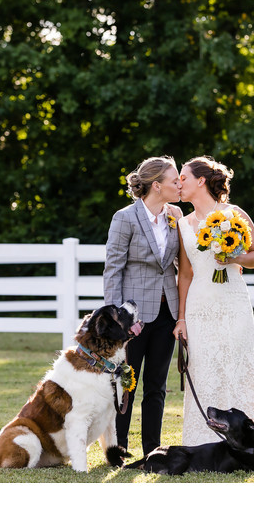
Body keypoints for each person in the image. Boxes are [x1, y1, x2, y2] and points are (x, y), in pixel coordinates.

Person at [173, 156, 254, 458]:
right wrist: (182, 318)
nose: (178, 183)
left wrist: (233, 258)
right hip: (200, 304)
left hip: (233, 301)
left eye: (183, 178)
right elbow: (186, 274)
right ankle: (204, 438)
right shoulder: (183, 224)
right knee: (204, 368)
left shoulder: (233, 214)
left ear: (201, 181)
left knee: (239, 364)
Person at [103, 156, 183, 456]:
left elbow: (176, 264)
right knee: (125, 384)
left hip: (167, 313)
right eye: (174, 180)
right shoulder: (124, 217)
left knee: (156, 386)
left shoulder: (175, 215)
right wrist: (116, 318)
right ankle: (117, 447)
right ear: (157, 185)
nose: (179, 184)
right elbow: (113, 268)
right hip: (132, 317)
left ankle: (152, 449)